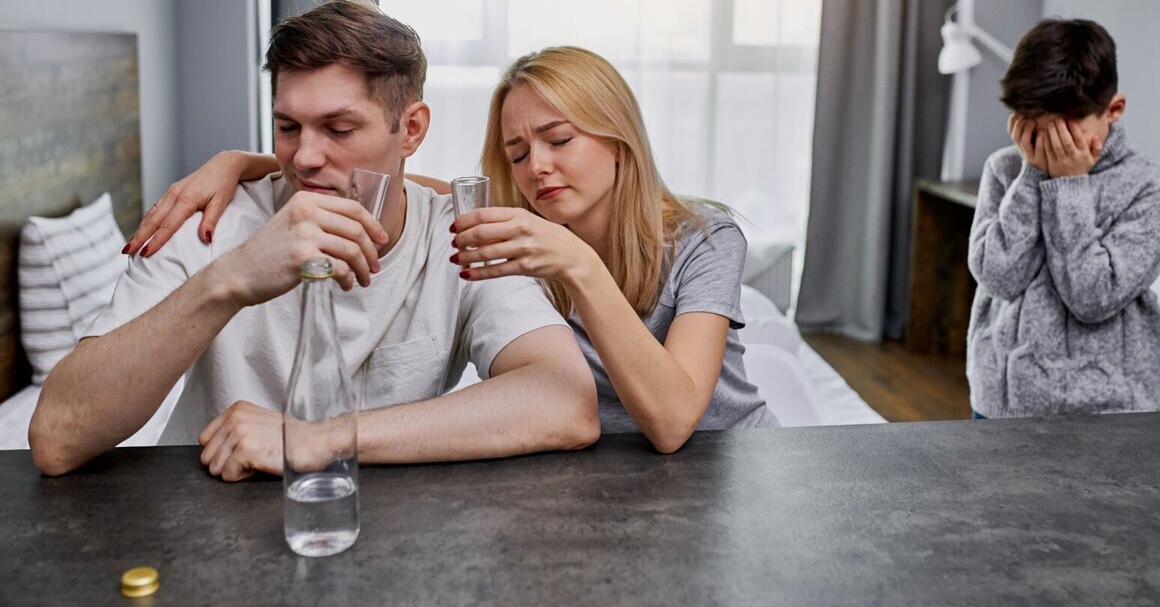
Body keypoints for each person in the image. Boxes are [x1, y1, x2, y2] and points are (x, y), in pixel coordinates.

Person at [28, 0, 600, 478]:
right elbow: (56, 438)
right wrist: (231, 279)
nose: (303, 157)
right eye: (287, 127)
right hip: (204, 517)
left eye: (338, 128)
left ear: (411, 130)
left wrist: (321, 437)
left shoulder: (459, 236)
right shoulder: (209, 220)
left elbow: (566, 401)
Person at [127, 47, 778, 453]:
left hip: (726, 464)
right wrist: (241, 162)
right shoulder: (514, 225)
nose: (537, 166)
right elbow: (385, 178)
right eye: (517, 152)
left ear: (619, 138)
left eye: (559, 140)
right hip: (606, 475)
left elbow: (672, 421)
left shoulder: (705, 240)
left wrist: (578, 266)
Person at [967, 18, 1160, 418]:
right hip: (1001, 406)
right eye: (1036, 128)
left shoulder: (1152, 186)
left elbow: (1093, 298)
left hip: (1104, 414)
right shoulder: (1004, 169)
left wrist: (1068, 186)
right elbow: (998, 278)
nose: (1052, 144)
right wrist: (1033, 176)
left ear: (1113, 110)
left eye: (1068, 129)